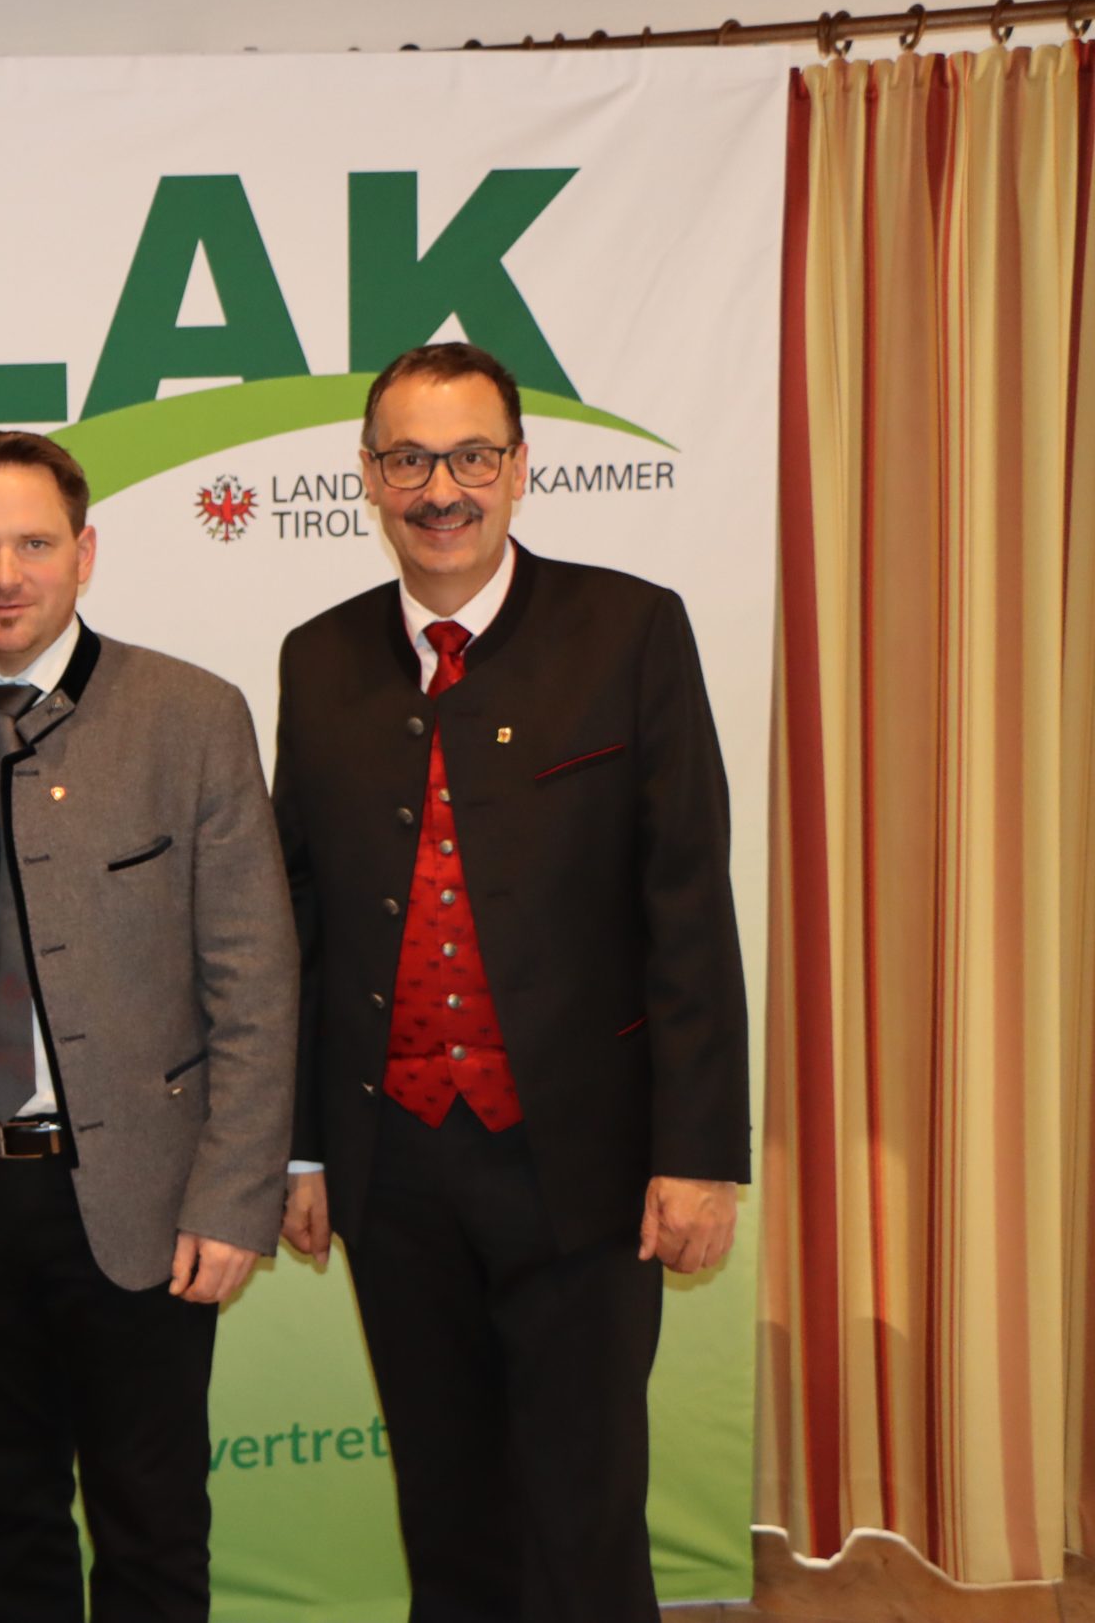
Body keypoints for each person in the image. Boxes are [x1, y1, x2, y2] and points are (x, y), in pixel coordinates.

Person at [272, 341, 750, 1623]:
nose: (441, 490)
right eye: (409, 460)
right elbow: (299, 921)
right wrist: (302, 1149)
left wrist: (698, 1154)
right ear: (367, 476)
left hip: (582, 1162)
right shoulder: (317, 658)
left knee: (583, 1516)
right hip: (393, 1164)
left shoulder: (630, 629)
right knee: (447, 1512)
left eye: (471, 457)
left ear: (520, 468)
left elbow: (687, 904)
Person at [0, 430, 297, 1623]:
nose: (4, 575)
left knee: (152, 1526)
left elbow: (254, 976)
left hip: (147, 1198)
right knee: (9, 1520)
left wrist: (232, 1196)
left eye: (33, 544)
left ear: (84, 552)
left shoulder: (193, 714)